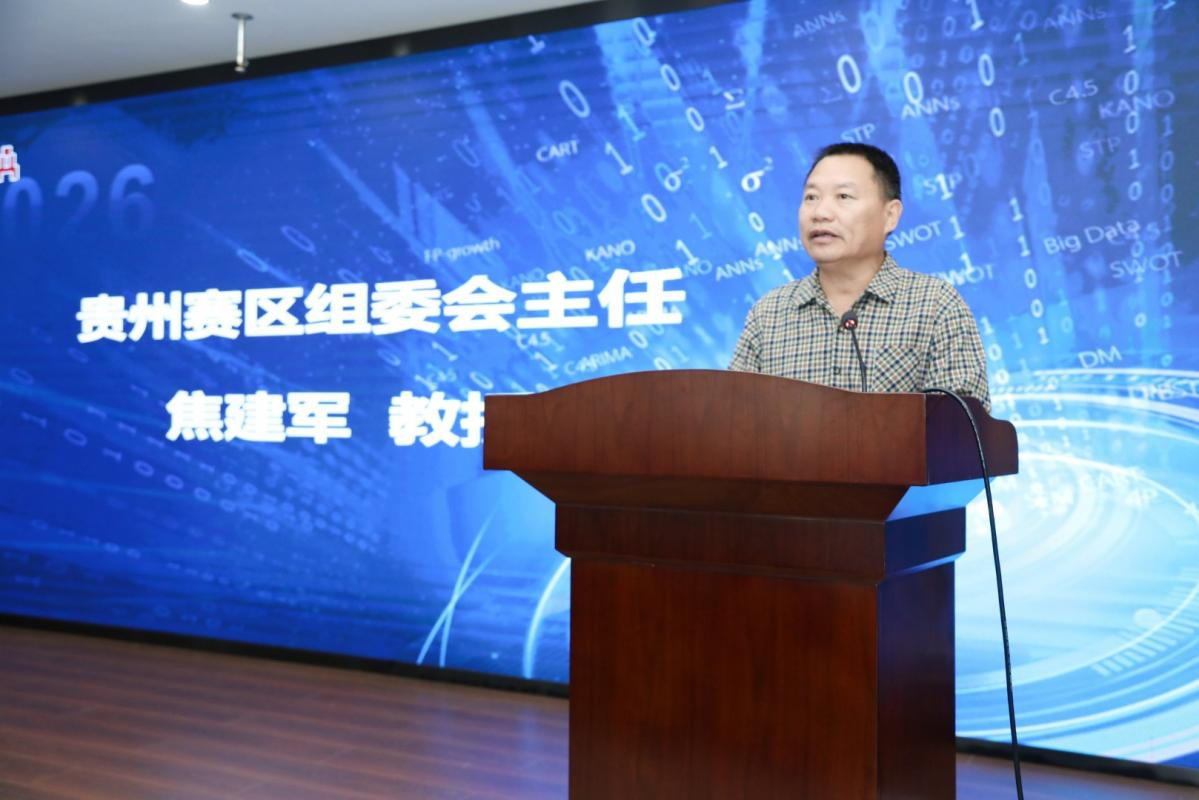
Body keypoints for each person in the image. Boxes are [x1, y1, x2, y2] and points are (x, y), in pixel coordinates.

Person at [728, 142, 991, 411]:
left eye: (843, 196)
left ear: (890, 216)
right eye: (811, 197)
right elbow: (731, 419)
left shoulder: (935, 305)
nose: (820, 213)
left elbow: (964, 426)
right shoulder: (769, 314)